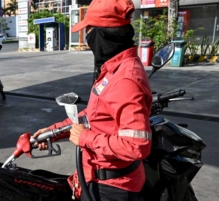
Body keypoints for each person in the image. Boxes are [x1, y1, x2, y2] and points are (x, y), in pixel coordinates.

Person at [33, 0, 152, 201]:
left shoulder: (125, 78)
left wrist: (86, 138)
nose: (87, 37)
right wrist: (52, 132)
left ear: (103, 34)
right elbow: (93, 116)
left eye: (89, 30)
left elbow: (137, 145)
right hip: (96, 180)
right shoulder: (114, 69)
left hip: (111, 190)